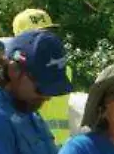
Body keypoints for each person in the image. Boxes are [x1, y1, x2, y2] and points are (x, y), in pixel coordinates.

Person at [11, 8, 78, 146]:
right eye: (38, 33)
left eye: (48, 31)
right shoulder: (14, 76)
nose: (46, 37)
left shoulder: (64, 70)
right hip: (33, 148)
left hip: (59, 148)